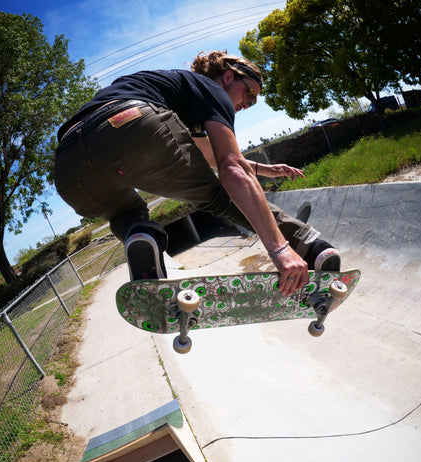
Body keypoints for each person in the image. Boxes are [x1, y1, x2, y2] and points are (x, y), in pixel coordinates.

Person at [54, 51, 340, 296]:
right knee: (221, 196)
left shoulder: (174, 90)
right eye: (248, 94)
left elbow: (203, 152)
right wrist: (280, 250)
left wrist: (263, 168)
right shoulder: (212, 89)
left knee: (125, 214)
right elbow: (231, 169)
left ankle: (141, 236)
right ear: (228, 76)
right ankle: (307, 245)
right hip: (134, 122)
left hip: (68, 168)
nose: (245, 105)